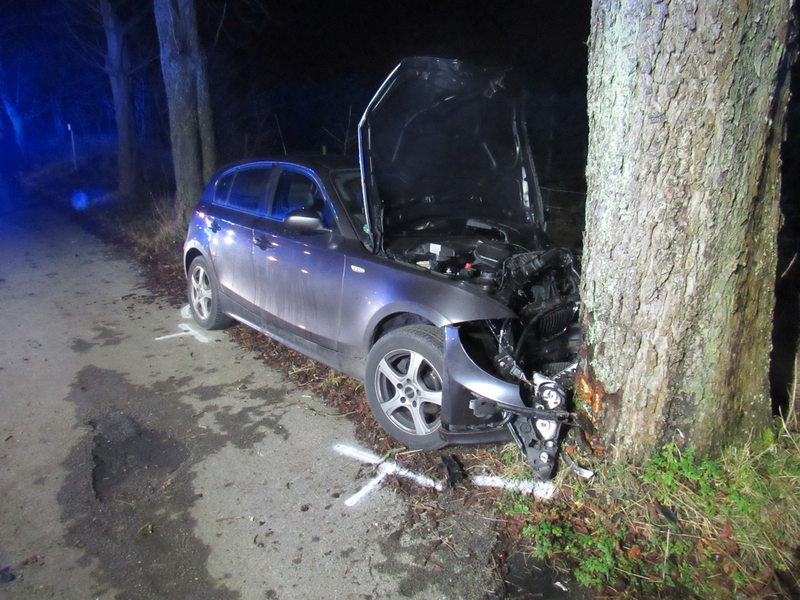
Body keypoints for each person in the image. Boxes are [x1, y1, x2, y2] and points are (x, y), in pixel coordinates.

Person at [0, 127, 21, 212]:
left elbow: (16, 155)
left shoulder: (9, 143)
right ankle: (8, 207)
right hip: (3, 171)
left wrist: (19, 168)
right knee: (5, 188)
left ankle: (15, 204)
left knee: (14, 186)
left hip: (11, 169)